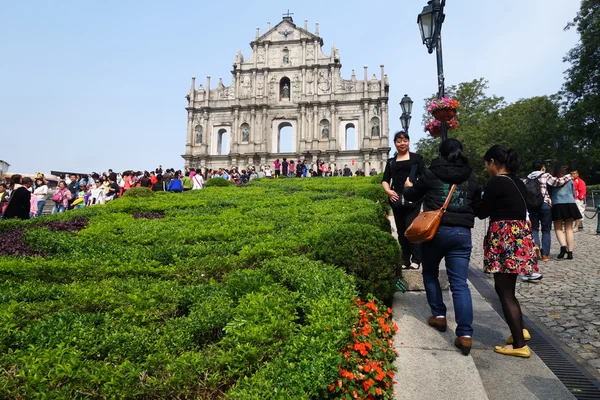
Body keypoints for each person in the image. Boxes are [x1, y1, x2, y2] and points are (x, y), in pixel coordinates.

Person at [403, 139, 481, 356]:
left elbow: (411, 196)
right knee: (459, 283)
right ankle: (465, 335)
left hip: (435, 232)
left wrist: (407, 186)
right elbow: (478, 206)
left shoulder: (431, 172)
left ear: (441, 153)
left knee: (429, 272)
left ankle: (438, 315)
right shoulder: (471, 175)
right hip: (461, 234)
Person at [476, 145, 538, 358]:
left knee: (504, 291)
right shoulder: (518, 181)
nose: (487, 169)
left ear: (493, 162)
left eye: (487, 165)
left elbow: (482, 212)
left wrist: (475, 199)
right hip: (519, 236)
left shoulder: (496, 182)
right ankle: (520, 331)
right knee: (509, 289)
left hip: (504, 237)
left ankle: (519, 344)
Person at [382, 131, 425, 270]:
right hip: (397, 199)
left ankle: (416, 259)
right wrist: (388, 191)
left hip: (413, 198)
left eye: (405, 140)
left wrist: (414, 186)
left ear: (408, 142)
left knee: (410, 228)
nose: (402, 143)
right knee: (401, 231)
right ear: (395, 144)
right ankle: (405, 259)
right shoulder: (391, 162)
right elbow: (385, 180)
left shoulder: (417, 159)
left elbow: (425, 177)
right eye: (399, 141)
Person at [526, 161, 573, 261]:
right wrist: (569, 176)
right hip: (545, 204)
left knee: (534, 229)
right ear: (542, 168)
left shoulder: (528, 178)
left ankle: (536, 247)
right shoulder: (545, 175)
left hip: (532, 206)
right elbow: (557, 182)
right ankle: (545, 255)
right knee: (546, 230)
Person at [550, 165, 582, 259]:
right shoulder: (569, 180)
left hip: (557, 204)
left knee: (558, 228)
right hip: (570, 204)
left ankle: (563, 246)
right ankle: (570, 252)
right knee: (569, 229)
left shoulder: (552, 181)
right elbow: (573, 193)